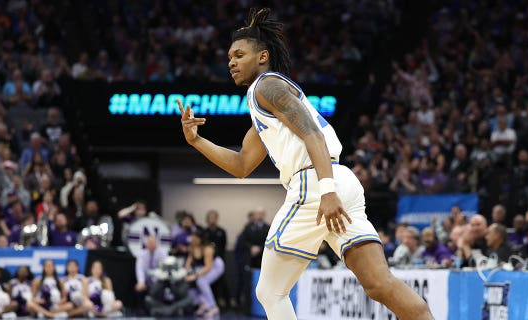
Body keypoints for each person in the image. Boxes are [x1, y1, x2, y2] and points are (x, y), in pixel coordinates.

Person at [177, 8, 432, 319]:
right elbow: (242, 165)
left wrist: (325, 191)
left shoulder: (266, 86)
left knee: (269, 291)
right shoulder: (266, 102)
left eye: (239, 54)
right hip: (342, 180)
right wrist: (196, 141)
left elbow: (312, 135)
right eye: (229, 56)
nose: (231, 61)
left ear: (262, 57)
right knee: (379, 284)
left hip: (315, 184)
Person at [184, 230, 224, 318]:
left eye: (195, 238)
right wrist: (185, 273)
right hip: (203, 267)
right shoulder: (192, 247)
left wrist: (195, 275)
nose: (193, 240)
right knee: (188, 284)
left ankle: (213, 307)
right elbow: (189, 261)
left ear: (200, 239)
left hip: (216, 266)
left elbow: (208, 267)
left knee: (201, 281)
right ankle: (203, 305)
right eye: (192, 238)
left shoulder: (207, 249)